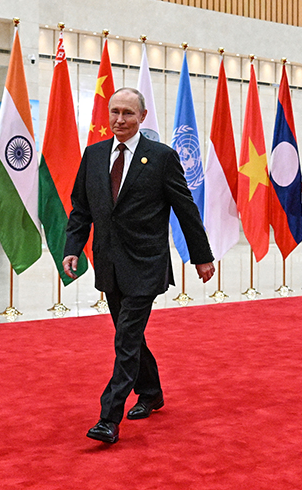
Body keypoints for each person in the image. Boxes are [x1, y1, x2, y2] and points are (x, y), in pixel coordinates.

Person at [63, 87, 215, 444]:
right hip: (109, 263)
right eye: (115, 112)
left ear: (142, 117)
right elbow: (82, 208)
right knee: (128, 335)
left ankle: (109, 418)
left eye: (128, 113)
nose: (120, 120)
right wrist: (73, 247)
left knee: (126, 338)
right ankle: (151, 391)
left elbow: (185, 208)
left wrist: (201, 256)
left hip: (146, 263)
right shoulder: (94, 155)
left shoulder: (161, 157)